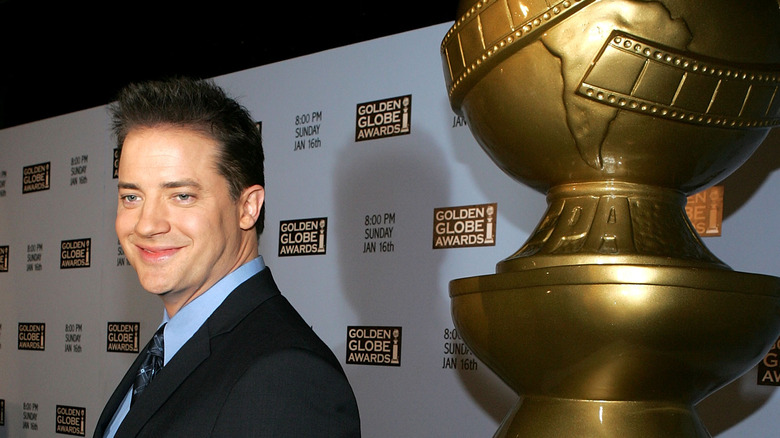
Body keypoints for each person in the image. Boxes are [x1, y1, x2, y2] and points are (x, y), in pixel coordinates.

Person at [93, 77, 361, 437]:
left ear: (247, 207)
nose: (147, 225)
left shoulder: (286, 379)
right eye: (132, 197)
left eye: (182, 196)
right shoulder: (168, 348)